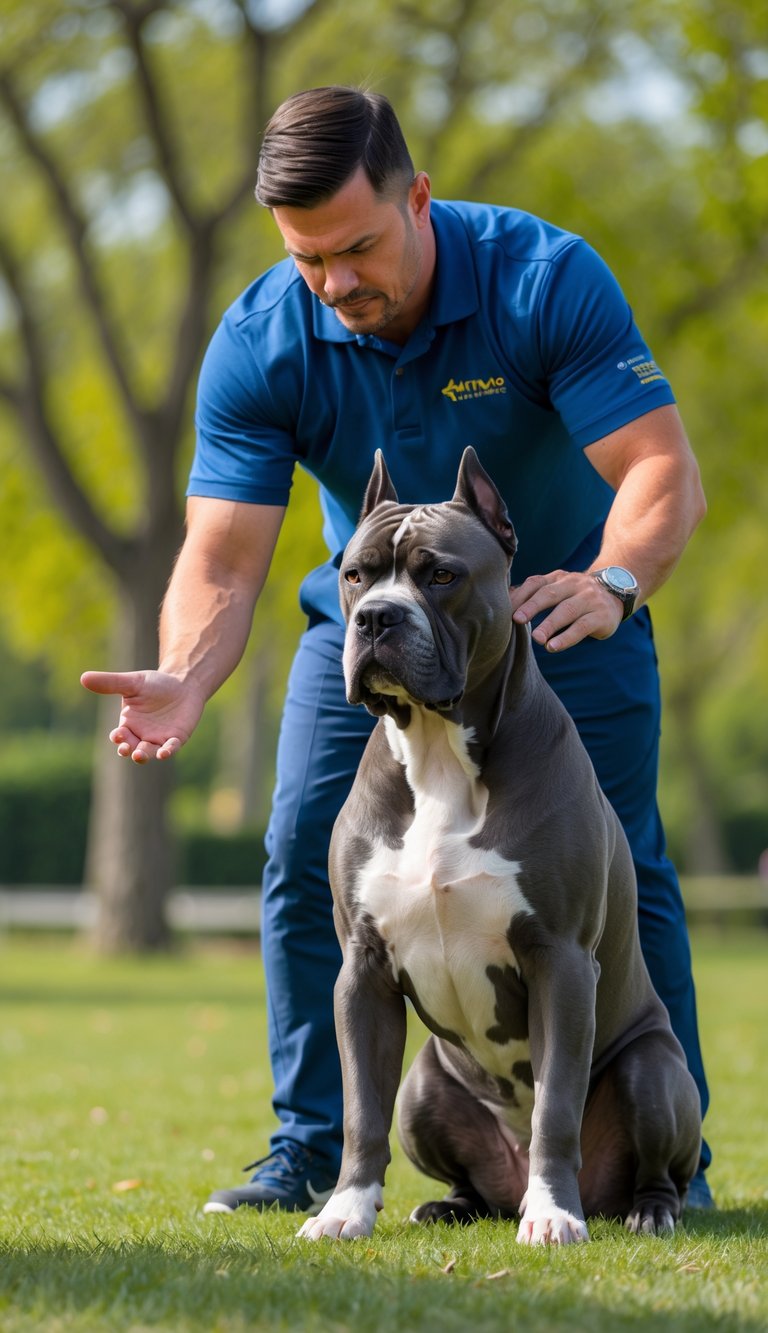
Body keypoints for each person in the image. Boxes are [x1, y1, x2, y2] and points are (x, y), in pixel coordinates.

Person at [81, 85, 714, 1215]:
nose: (335, 283)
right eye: (308, 258)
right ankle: (312, 1152)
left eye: (359, 247)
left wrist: (615, 580)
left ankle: (665, 1164)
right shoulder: (266, 335)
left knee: (624, 875)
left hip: (558, 603)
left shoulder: (541, 278)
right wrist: (184, 670)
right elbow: (223, 559)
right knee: (296, 856)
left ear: (418, 197)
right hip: (367, 623)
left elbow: (660, 470)